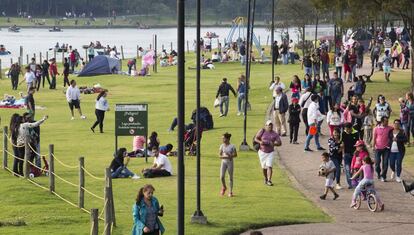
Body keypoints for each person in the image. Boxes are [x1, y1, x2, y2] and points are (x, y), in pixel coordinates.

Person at [254, 120, 282, 186]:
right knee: (264, 167)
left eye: (271, 125)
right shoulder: (262, 131)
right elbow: (256, 138)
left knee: (269, 166)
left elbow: (280, 143)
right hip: (262, 152)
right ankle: (266, 178)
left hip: (270, 152)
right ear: (266, 125)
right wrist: (260, 142)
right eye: (268, 125)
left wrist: (274, 144)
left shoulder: (275, 134)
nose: (270, 126)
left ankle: (269, 180)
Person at [373, 116, 393, 182]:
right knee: (377, 163)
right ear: (382, 121)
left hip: (386, 148)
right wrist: (373, 146)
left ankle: (383, 176)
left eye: (387, 121)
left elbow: (396, 128)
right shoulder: (376, 128)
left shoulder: (390, 128)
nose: (387, 122)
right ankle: (378, 173)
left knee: (385, 163)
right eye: (386, 121)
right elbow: (374, 138)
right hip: (377, 148)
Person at [219, 132, 237, 197]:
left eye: (223, 138)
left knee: (230, 177)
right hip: (223, 162)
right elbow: (220, 154)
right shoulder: (222, 146)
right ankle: (224, 187)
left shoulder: (232, 146)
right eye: (222, 138)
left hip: (230, 162)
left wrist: (230, 155)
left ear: (228, 139)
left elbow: (235, 155)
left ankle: (230, 191)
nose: (222, 140)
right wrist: (223, 156)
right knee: (221, 177)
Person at [342, 122, 359, 189]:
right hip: (346, 154)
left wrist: (356, 151)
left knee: (355, 169)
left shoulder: (356, 133)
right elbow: (343, 143)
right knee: (347, 169)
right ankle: (350, 184)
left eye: (347, 129)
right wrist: (343, 153)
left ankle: (356, 181)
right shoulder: (343, 133)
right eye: (345, 129)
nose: (346, 131)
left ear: (351, 128)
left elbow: (358, 144)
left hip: (354, 154)